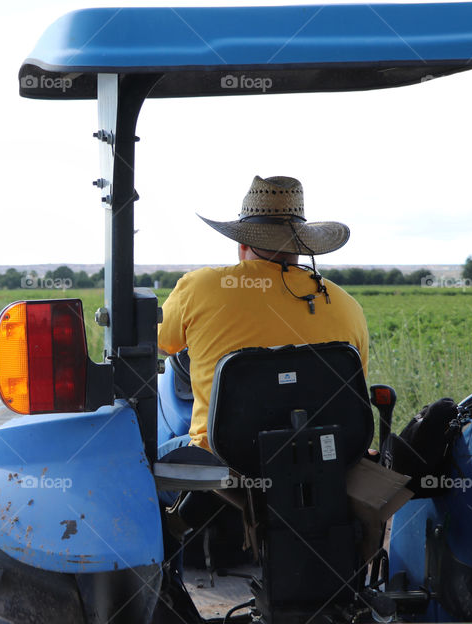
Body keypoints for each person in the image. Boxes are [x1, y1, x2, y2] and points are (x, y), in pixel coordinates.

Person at [157, 175, 369, 451]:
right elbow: (355, 388)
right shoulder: (346, 303)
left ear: (242, 243)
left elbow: (163, 344)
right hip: (323, 455)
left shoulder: (199, 287)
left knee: (149, 462)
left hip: (222, 459)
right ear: (301, 246)